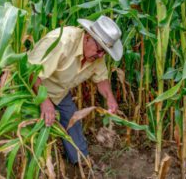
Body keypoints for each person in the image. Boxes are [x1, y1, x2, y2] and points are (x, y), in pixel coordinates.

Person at [28, 15, 123, 164]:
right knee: (32, 128)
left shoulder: (96, 56)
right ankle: (33, 163)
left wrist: (110, 98)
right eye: (99, 50)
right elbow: (32, 72)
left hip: (59, 93)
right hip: (33, 88)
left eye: (104, 52)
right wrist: (44, 101)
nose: (100, 56)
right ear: (87, 38)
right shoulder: (62, 42)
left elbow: (101, 79)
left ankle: (81, 162)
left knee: (73, 120)